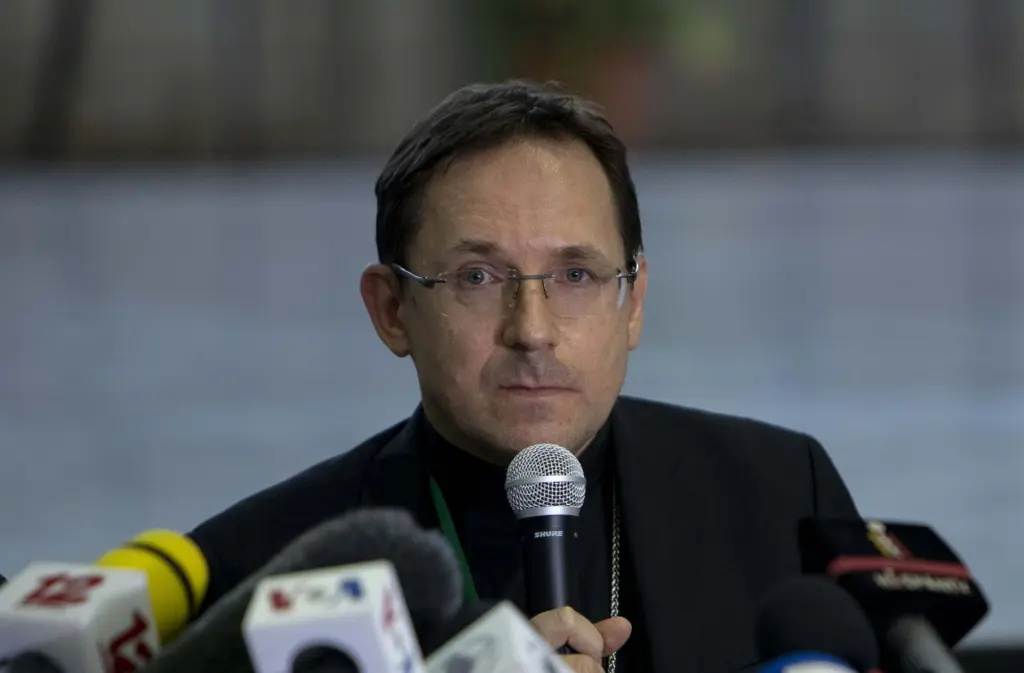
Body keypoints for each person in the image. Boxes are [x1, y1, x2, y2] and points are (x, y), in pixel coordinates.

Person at [188, 80, 859, 673]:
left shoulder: (779, 491)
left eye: (575, 275)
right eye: (478, 277)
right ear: (391, 310)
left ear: (635, 300)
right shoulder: (256, 572)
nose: (532, 329)